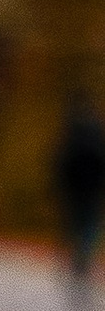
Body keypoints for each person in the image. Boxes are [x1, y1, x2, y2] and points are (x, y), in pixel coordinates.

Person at [55, 91, 105, 280]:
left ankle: (76, 255)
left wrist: (60, 185)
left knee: (74, 223)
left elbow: (62, 162)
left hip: (74, 188)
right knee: (89, 224)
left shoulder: (72, 133)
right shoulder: (98, 135)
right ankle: (84, 254)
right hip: (92, 188)